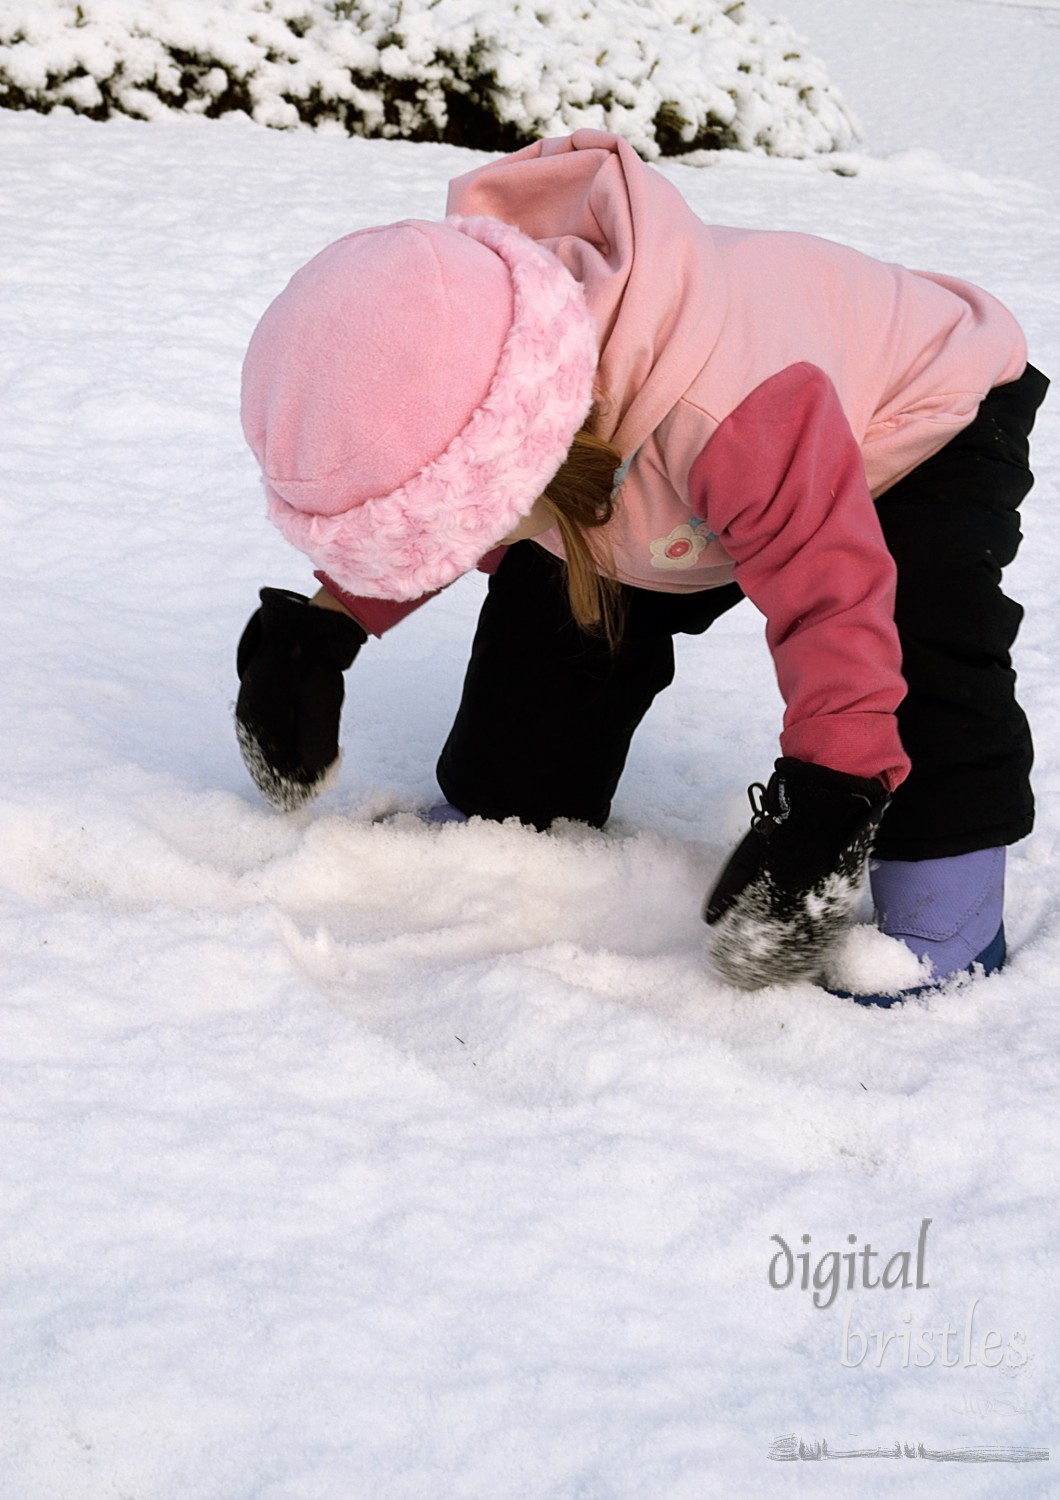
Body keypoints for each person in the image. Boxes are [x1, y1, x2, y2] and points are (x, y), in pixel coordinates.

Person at [234, 129, 1048, 1004]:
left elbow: (830, 597)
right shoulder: (508, 365)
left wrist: (833, 794)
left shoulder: (735, 407)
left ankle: (946, 891)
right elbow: (449, 484)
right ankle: (516, 806)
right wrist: (329, 621)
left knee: (916, 631)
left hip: (917, 420)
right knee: (556, 629)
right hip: (649, 456)